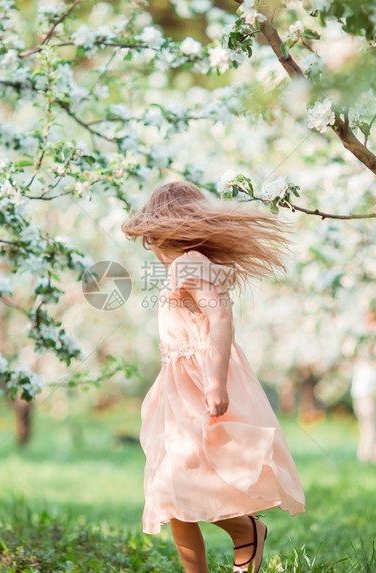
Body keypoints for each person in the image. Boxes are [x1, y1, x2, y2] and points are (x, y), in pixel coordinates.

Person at [121, 181, 306, 573]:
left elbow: (220, 317)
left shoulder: (188, 262)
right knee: (171, 494)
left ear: (163, 233)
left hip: (199, 382)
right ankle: (233, 543)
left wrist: (215, 381)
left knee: (177, 484)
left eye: (152, 240)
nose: (153, 251)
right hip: (178, 386)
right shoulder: (182, 267)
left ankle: (246, 531)